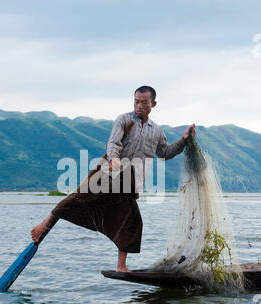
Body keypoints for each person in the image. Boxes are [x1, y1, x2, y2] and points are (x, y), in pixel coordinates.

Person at [31, 86, 195, 272]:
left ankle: (121, 266)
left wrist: (184, 140)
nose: (139, 106)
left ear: (153, 104)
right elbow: (113, 143)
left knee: (130, 220)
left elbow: (165, 153)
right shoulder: (124, 120)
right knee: (79, 197)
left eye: (144, 102)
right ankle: (44, 225)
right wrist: (115, 159)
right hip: (109, 170)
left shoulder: (156, 130)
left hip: (130, 181)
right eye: (136, 101)